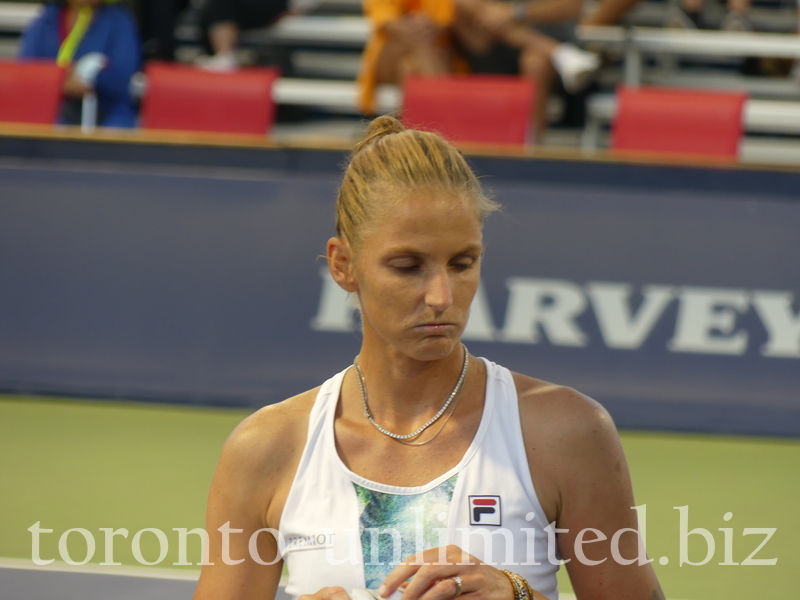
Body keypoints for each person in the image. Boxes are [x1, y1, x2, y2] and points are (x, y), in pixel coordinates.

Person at [192, 115, 666, 600]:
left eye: (463, 263)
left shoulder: (567, 431)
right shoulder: (264, 448)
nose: (441, 295)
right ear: (342, 264)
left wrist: (519, 596)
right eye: (408, 266)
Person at [358, 0, 599, 139]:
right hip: (435, 49)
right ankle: (559, 53)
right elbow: (385, 20)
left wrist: (514, 13)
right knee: (415, 50)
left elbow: (444, 17)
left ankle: (436, 143)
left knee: (411, 65)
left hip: (455, 50)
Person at [18, 0, 141, 128]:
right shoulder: (46, 20)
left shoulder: (119, 21)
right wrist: (59, 82)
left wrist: (85, 78)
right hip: (51, 111)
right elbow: (26, 73)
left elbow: (121, 77)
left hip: (108, 112)